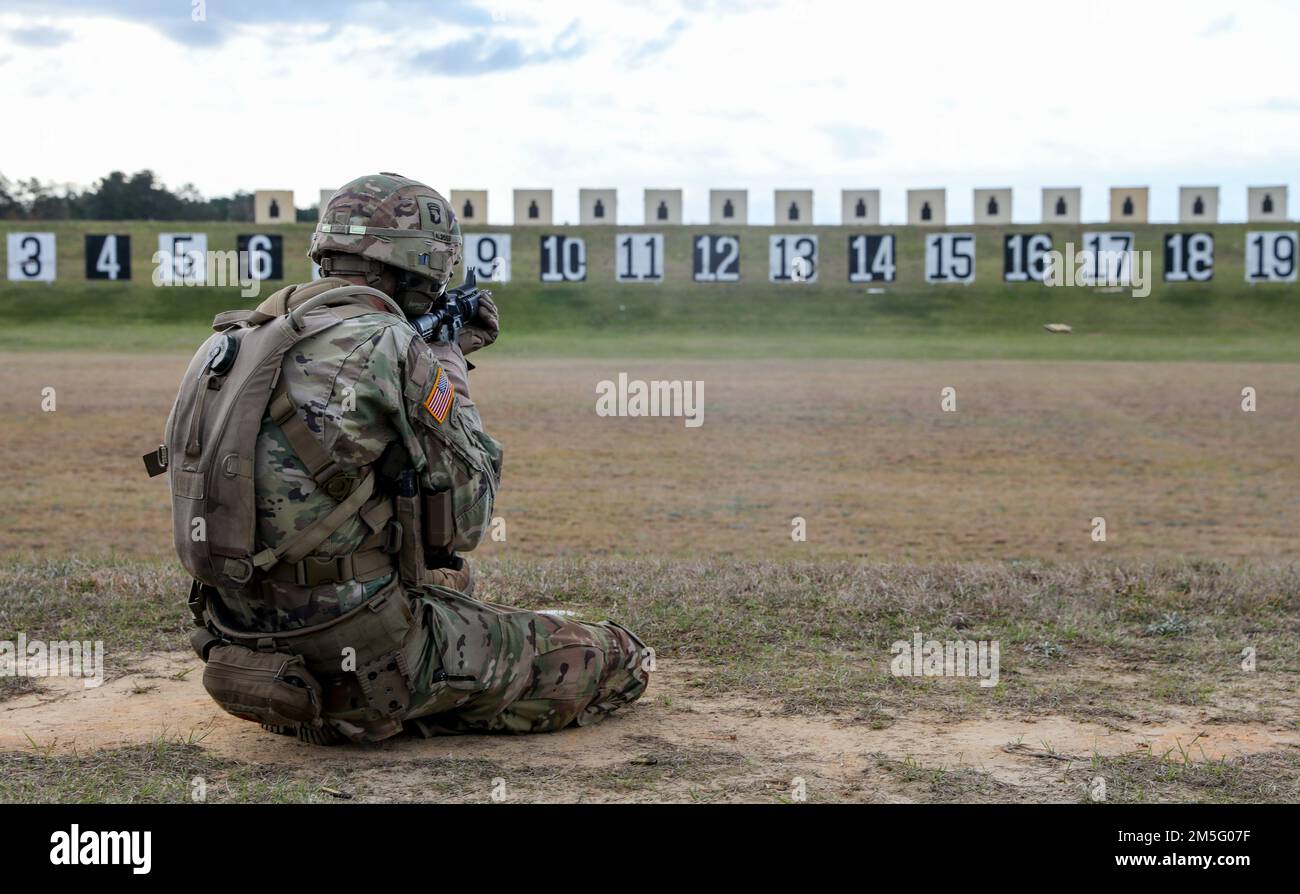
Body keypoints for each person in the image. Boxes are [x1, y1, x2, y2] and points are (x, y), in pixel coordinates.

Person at [169, 173, 649, 744]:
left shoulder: (232, 340)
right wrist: (442, 362)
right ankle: (384, 702)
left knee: (454, 580)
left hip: (233, 632)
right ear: (422, 269)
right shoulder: (391, 345)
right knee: (621, 656)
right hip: (353, 650)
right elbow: (469, 515)